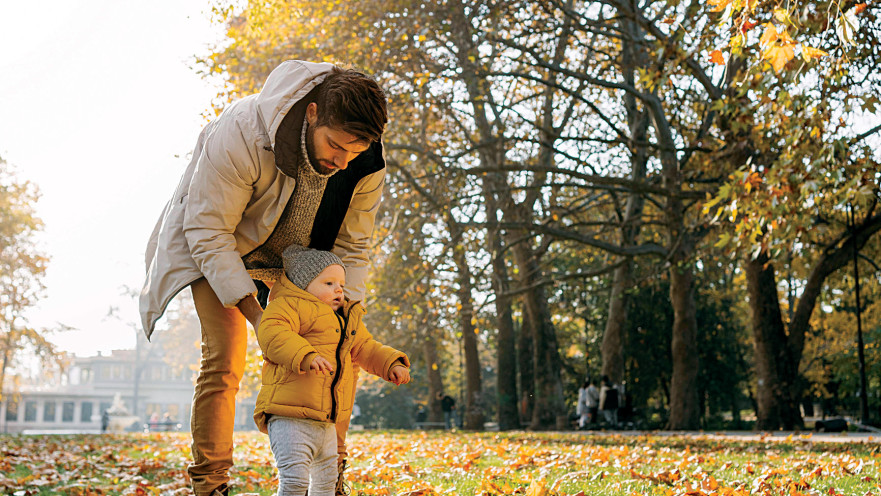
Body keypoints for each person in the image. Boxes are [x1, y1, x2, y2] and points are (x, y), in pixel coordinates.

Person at [138, 60, 389, 496]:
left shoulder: (363, 163)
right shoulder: (241, 132)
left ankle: (333, 477)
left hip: (300, 262)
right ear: (312, 113)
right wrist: (259, 317)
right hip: (224, 245)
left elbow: (352, 247)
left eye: (353, 151)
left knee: (336, 354)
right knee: (225, 361)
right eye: (335, 145)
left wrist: (348, 314)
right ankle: (210, 484)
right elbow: (208, 231)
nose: (342, 160)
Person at [253, 246, 410, 496]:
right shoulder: (287, 306)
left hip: (327, 420)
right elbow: (273, 334)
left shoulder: (346, 319)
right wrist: (305, 355)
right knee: (294, 481)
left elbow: (366, 347)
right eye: (329, 282)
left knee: (326, 482)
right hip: (289, 416)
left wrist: (391, 363)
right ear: (303, 285)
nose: (338, 289)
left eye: (341, 284)